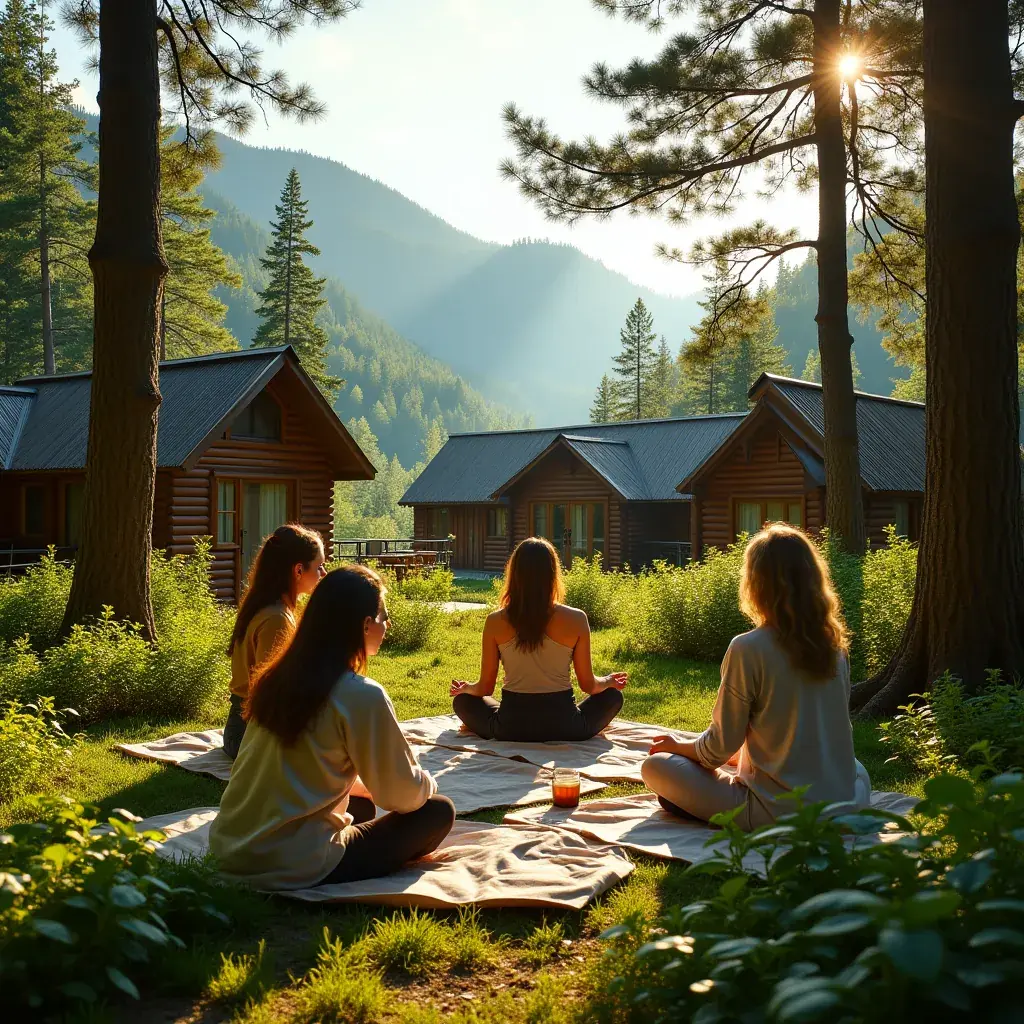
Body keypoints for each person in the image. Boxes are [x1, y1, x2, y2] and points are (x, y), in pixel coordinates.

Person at [209, 563, 455, 890]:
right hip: (292, 862)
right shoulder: (360, 695)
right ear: (365, 625)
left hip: (230, 850)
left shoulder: (276, 680)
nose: (387, 625)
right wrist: (428, 783)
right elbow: (402, 795)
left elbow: (299, 767)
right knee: (436, 812)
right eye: (383, 618)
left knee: (363, 803)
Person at [642, 523, 870, 830]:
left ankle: (695, 804)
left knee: (656, 767)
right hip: (840, 803)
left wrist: (677, 746)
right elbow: (815, 729)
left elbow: (717, 750)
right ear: (814, 579)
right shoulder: (835, 646)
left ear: (756, 583)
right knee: (858, 770)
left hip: (776, 811)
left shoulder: (748, 647)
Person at [450, 536, 628, 742]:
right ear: (553, 573)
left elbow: (484, 688)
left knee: (463, 701)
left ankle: (499, 722)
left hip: (510, 727)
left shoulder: (495, 621)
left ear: (514, 574)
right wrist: (609, 681)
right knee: (613, 696)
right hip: (568, 726)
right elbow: (589, 685)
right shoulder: (576, 618)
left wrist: (466, 688)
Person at [223, 523, 327, 760]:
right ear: (298, 570)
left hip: (249, 727)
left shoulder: (272, 607)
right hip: (251, 734)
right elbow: (273, 694)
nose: (323, 574)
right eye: (320, 567)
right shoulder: (276, 619)